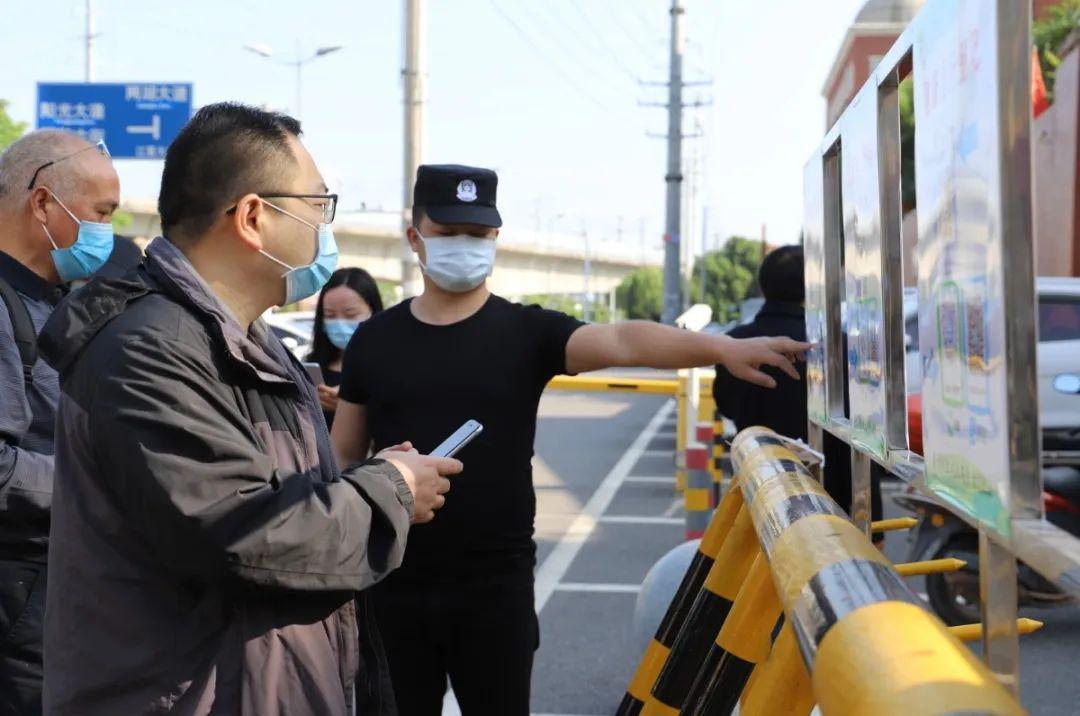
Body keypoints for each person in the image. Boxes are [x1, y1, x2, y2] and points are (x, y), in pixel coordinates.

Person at [330, 164, 808, 715]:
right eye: (449, 233)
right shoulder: (375, 341)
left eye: (479, 235)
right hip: (392, 582)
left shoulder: (526, 332)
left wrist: (722, 349)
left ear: (495, 240)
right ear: (415, 238)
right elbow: (345, 454)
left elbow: (624, 339)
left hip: (495, 588)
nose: (466, 246)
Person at [37, 103, 461, 716]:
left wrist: (362, 483)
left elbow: (269, 499)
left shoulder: (246, 341)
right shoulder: (149, 349)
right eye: (319, 205)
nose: (326, 226)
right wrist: (390, 489)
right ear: (254, 216)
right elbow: (244, 534)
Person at [0, 130, 119, 716]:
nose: (107, 232)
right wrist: (101, 482)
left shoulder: (58, 301)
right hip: (18, 600)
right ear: (43, 203)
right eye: (102, 213)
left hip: (58, 586)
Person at [712, 245, 882, 539]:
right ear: (814, 289)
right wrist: (874, 524)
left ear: (764, 287)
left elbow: (726, 405)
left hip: (757, 496)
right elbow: (862, 440)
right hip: (829, 510)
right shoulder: (841, 348)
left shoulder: (735, 344)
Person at [308, 267, 384, 428]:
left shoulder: (389, 367)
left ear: (373, 312)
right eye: (330, 315)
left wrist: (350, 406)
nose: (340, 323)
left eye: (350, 315)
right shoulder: (311, 368)